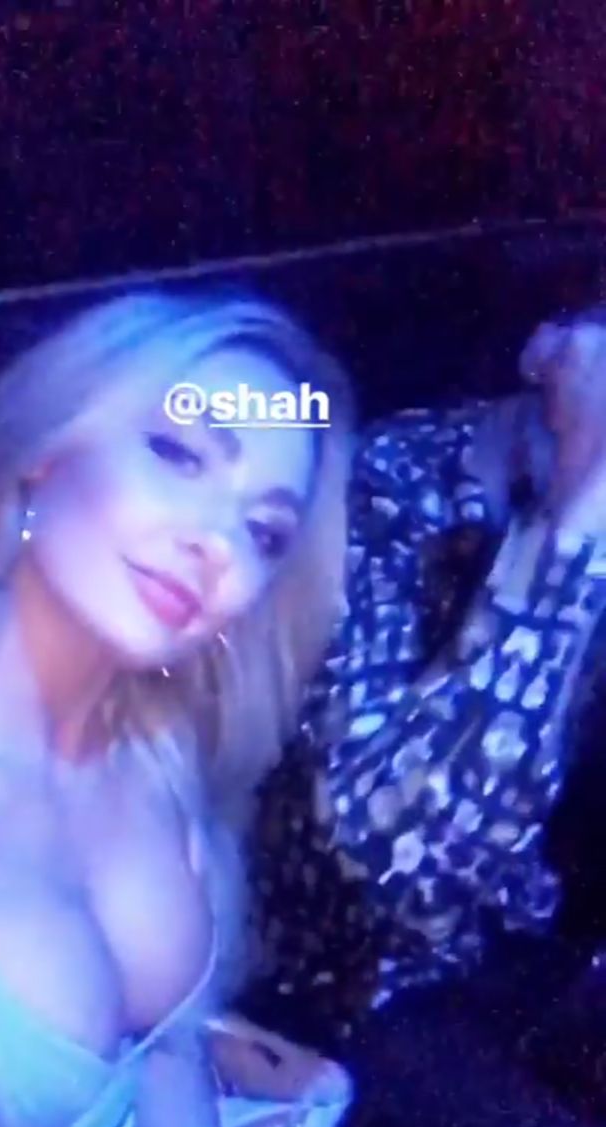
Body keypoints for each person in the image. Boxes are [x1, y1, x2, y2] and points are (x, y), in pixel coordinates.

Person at [0, 287, 445, 1127]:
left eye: (263, 531)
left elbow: (160, 1057)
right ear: (42, 452)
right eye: (179, 454)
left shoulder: (154, 746)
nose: (215, 542)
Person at [247, 310, 606, 1047]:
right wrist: (574, 534)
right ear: (550, 351)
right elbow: (383, 878)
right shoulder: (378, 491)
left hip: (539, 954)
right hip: (359, 996)